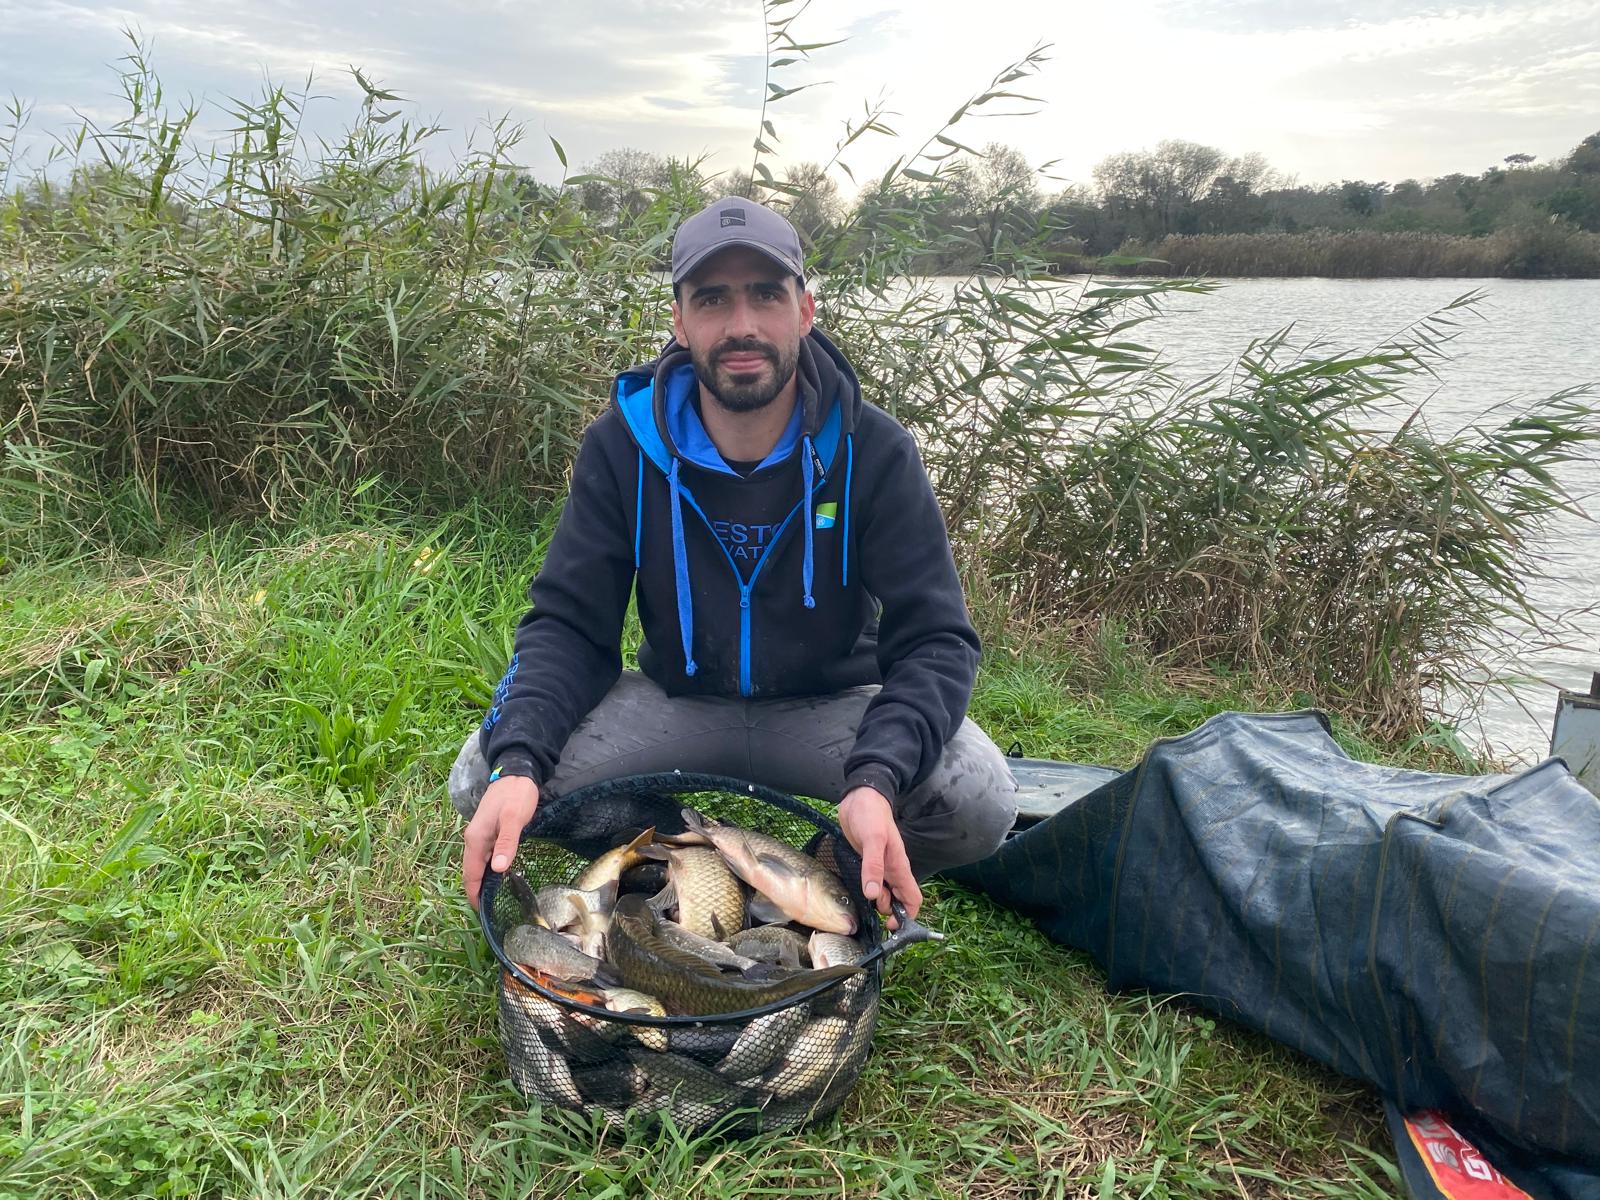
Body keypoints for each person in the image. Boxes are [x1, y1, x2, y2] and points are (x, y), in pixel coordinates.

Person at [450, 196, 1016, 921]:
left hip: (829, 713)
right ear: (681, 323)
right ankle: (666, 845)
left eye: (766, 295)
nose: (741, 325)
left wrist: (875, 776)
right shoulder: (621, 447)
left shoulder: (874, 450)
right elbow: (567, 626)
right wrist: (520, 761)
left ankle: (831, 868)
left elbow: (937, 641)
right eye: (713, 299)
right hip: (680, 704)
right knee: (485, 774)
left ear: (805, 310)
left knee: (980, 799)